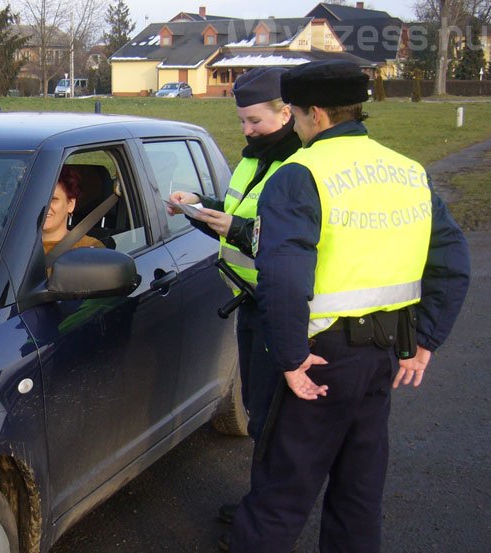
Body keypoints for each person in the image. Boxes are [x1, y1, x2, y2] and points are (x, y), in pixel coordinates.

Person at [228, 60, 471, 553]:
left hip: (321, 357)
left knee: (280, 495)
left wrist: (291, 359)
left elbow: (284, 274)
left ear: (315, 113)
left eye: (294, 113)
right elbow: (451, 261)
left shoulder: (300, 173)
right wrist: (425, 340)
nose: (294, 122)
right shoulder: (408, 171)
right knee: (359, 495)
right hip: (384, 355)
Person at [166, 67, 302, 525]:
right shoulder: (253, 159)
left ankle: (267, 518)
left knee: (273, 420)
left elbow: (293, 240)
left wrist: (239, 230)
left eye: (255, 121)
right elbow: (236, 211)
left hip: (279, 310)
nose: (246, 130)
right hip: (249, 303)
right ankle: (263, 505)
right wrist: (200, 207)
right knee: (259, 413)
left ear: (286, 113)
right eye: (241, 120)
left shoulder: (297, 167)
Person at [43, 165, 104, 254]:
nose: (44, 206)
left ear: (71, 204)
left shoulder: (91, 249)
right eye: (38, 199)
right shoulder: (17, 243)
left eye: (53, 199)